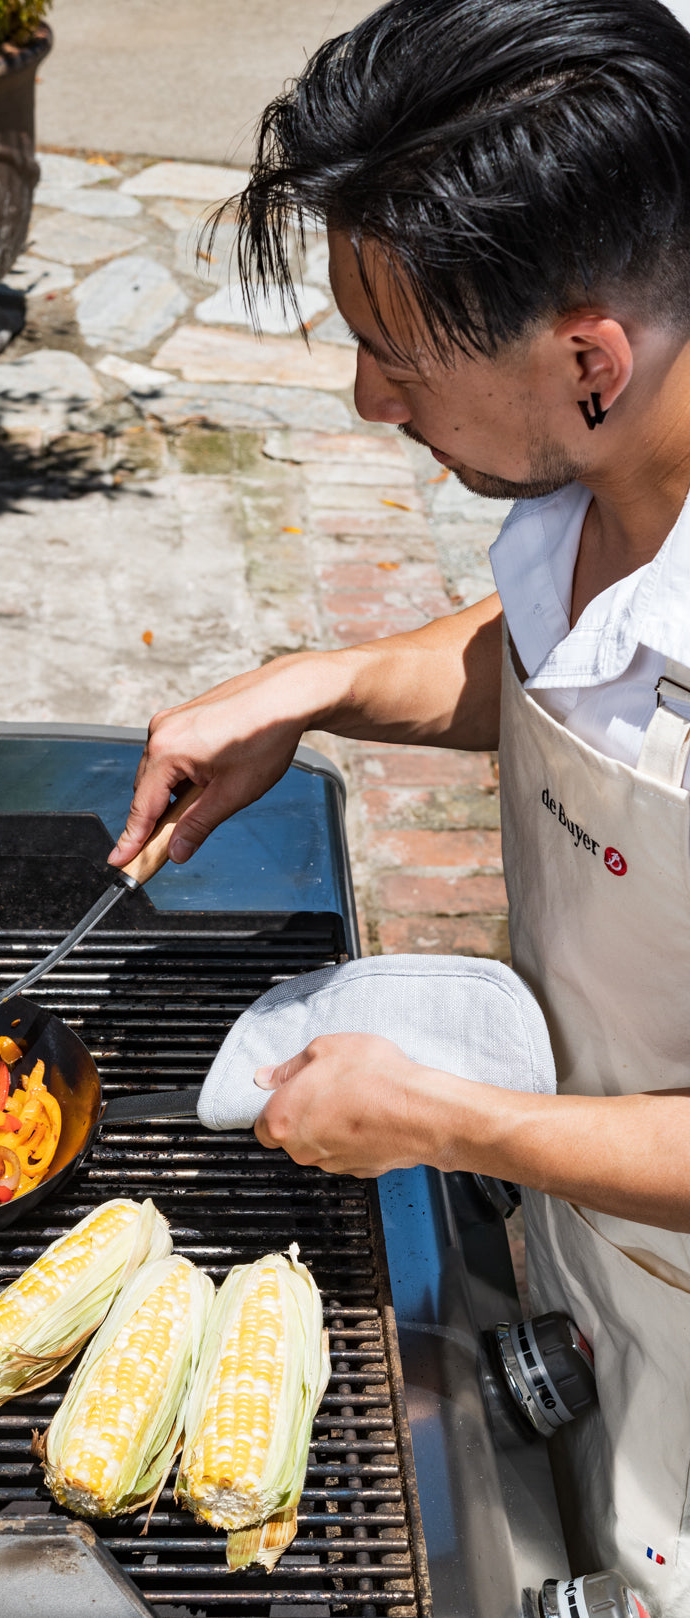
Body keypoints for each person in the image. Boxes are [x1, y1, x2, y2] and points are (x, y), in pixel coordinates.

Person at [107, 1, 690, 1610]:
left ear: (588, 358)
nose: (368, 403)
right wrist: (314, 687)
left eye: (399, 355)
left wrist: (455, 1123)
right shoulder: (619, 474)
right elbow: (573, 669)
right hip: (585, 1247)